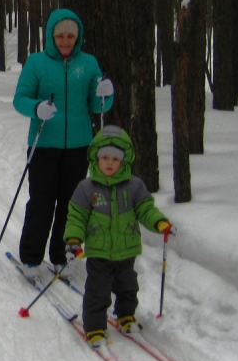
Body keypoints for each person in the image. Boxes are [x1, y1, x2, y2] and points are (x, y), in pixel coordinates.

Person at [13, 8, 114, 285]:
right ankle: (32, 258)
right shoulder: (37, 63)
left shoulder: (89, 64)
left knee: (70, 206)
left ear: (77, 36)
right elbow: (19, 99)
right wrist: (37, 107)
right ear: (51, 36)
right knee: (42, 203)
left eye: (71, 35)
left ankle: (60, 257)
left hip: (79, 146)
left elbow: (98, 105)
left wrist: (107, 93)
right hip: (44, 144)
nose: (66, 41)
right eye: (60, 36)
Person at [62, 125, 172, 347]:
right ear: (96, 159)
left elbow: (145, 209)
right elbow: (76, 218)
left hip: (127, 250)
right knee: (98, 292)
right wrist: (73, 240)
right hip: (99, 252)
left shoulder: (134, 186)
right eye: (105, 158)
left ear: (124, 161)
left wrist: (159, 222)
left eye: (115, 159)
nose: (110, 163)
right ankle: (94, 328)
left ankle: (125, 316)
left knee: (128, 286)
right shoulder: (86, 188)